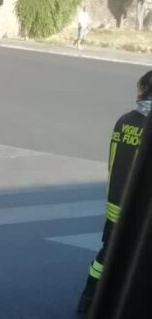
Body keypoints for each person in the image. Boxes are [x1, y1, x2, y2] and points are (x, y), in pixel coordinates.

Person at [76, 70, 152, 315]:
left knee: (107, 255)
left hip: (115, 204)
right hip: (140, 212)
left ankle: (89, 298)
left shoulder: (124, 120)